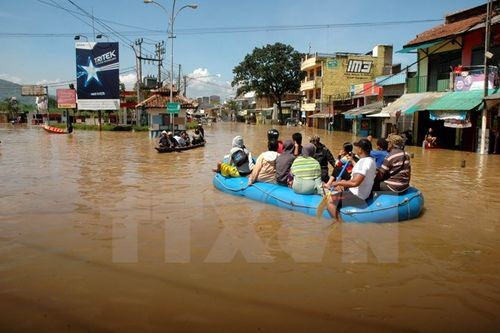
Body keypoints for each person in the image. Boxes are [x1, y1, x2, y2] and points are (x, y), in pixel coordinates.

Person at [324, 138, 376, 220]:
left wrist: (338, 183)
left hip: (357, 196)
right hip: (364, 193)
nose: (356, 149)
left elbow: (355, 183)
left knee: (329, 200)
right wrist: (344, 182)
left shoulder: (363, 163)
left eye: (357, 147)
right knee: (344, 182)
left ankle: (338, 224)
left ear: (360, 150)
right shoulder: (371, 160)